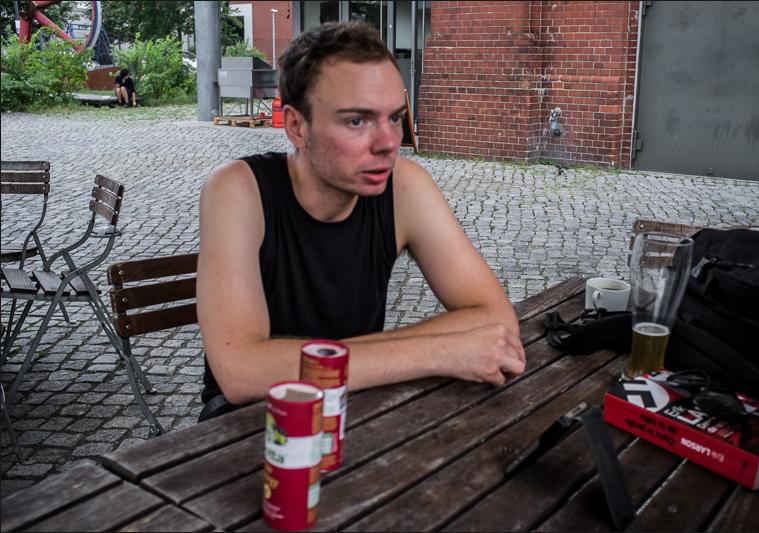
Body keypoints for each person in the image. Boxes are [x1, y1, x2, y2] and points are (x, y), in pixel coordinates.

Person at [196, 21, 526, 421]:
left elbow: (496, 318)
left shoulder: (403, 187)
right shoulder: (239, 189)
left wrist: (335, 363)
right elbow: (242, 371)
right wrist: (442, 350)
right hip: (246, 426)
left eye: (394, 118)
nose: (388, 143)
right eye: (357, 121)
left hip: (355, 409)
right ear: (296, 127)